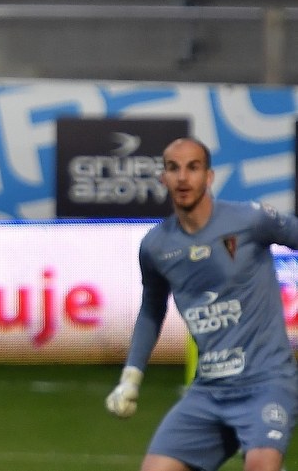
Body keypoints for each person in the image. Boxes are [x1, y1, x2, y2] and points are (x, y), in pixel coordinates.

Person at [105, 137, 298, 471]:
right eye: (173, 168)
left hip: (267, 383)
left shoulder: (251, 220)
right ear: (163, 178)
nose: (182, 178)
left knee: (262, 466)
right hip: (208, 391)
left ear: (209, 177)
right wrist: (130, 379)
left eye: (193, 167)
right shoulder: (155, 246)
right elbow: (152, 310)